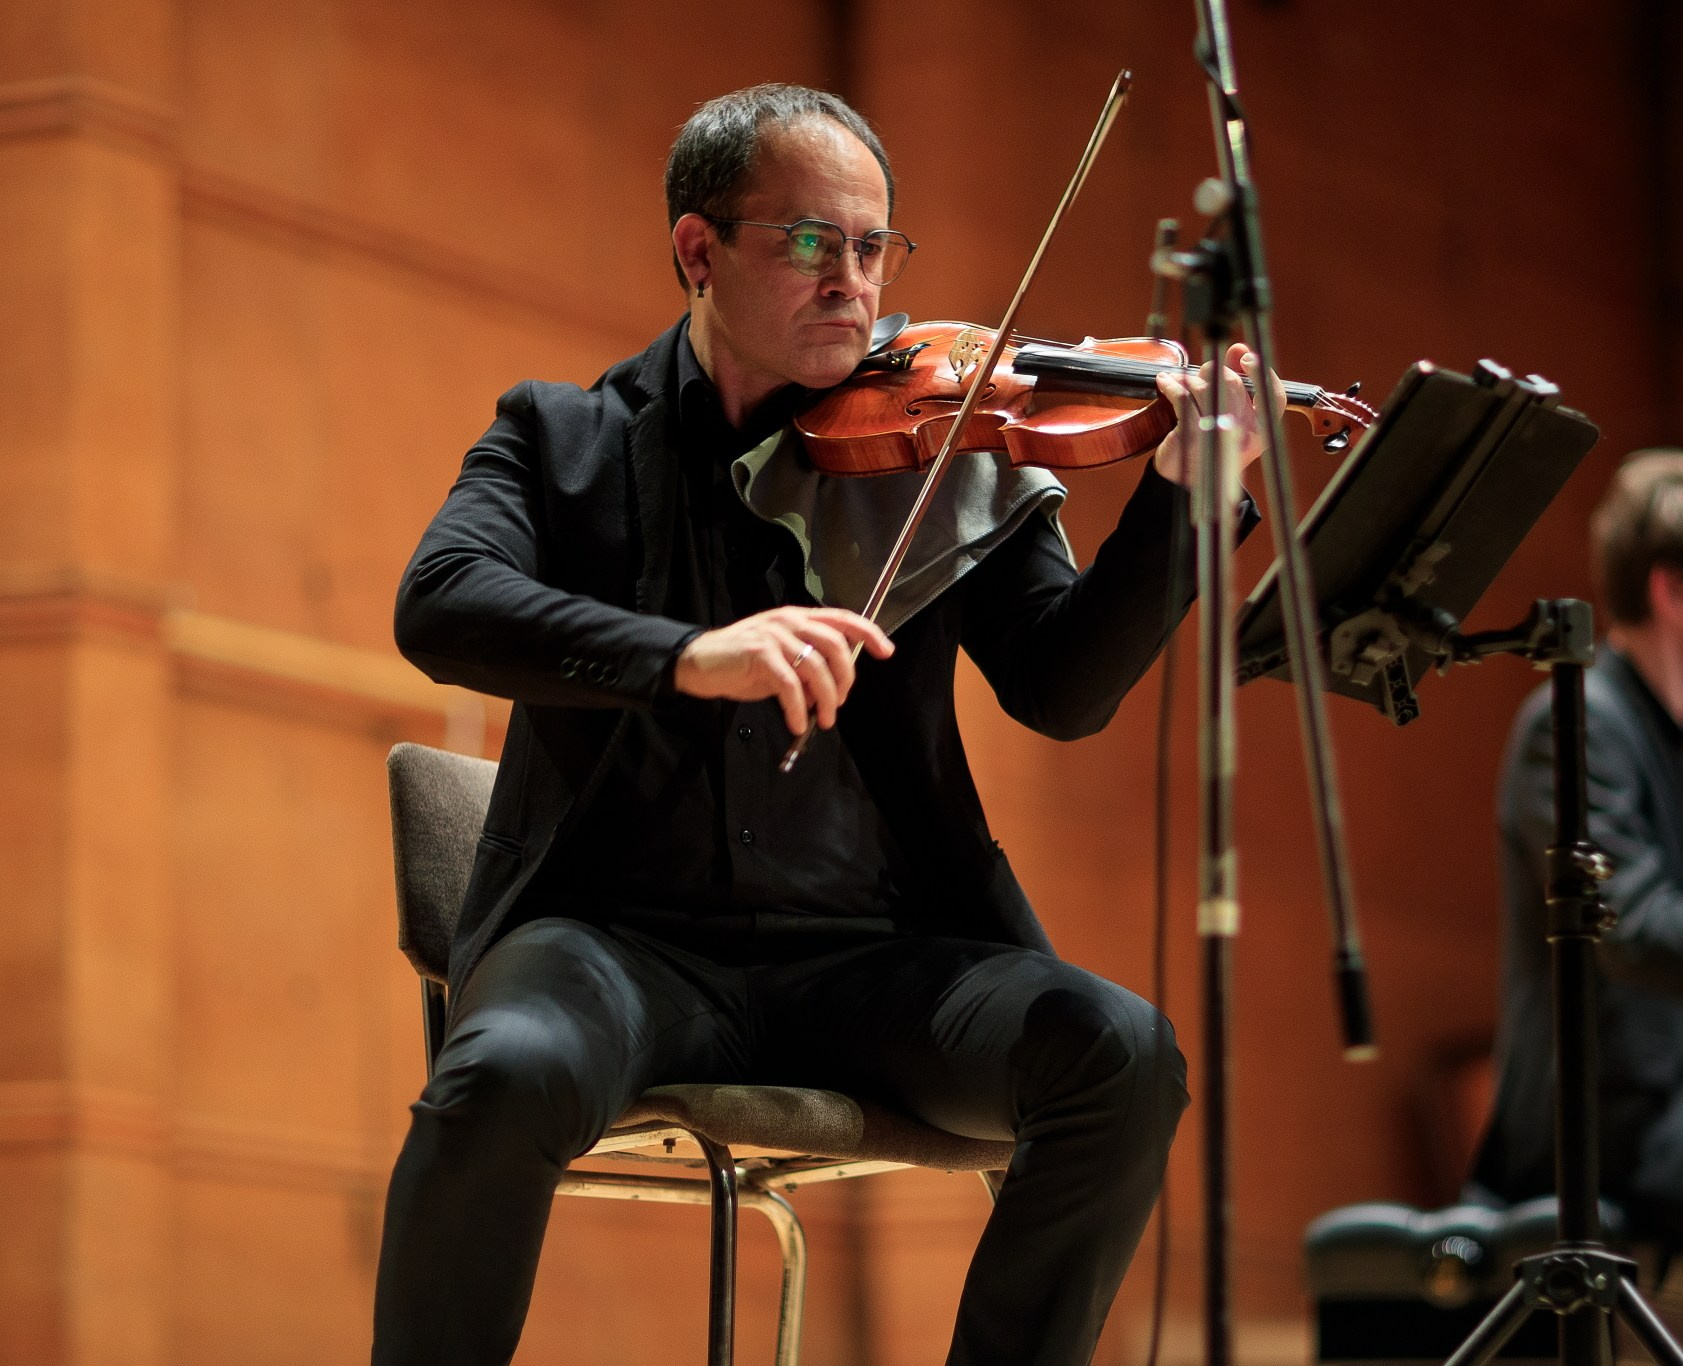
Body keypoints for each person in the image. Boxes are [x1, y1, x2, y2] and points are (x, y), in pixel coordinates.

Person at [373, 83, 1264, 1366]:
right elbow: (440, 604)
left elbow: (1062, 691)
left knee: (1120, 1056)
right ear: (698, 250)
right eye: (808, 242)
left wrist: (1182, 503)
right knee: (501, 1073)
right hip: (614, 947)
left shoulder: (939, 451)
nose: (851, 281)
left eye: (871, 246)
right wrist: (689, 656)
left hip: (873, 965)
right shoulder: (562, 439)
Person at [1470, 450, 1683, 1261]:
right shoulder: (1577, 722)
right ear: (1674, 592)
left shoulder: (1681, 741)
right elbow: (1632, 925)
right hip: (1613, 1130)